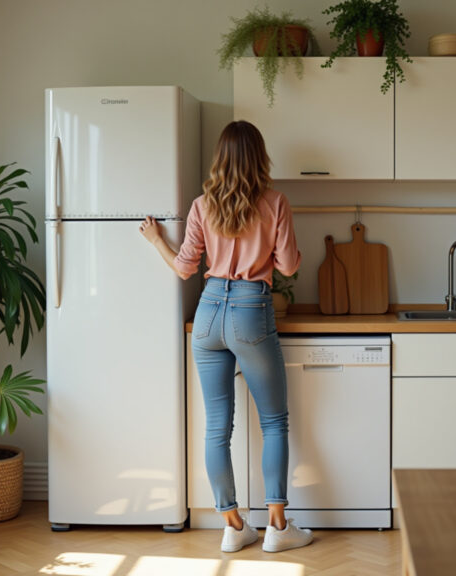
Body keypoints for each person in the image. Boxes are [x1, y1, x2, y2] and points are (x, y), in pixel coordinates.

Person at [139, 120, 310, 553]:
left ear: (220, 159)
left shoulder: (202, 205)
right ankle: (277, 527)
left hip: (209, 309)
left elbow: (183, 268)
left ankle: (234, 526)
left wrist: (157, 239)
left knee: (217, 428)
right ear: (260, 157)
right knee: (274, 421)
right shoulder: (275, 202)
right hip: (251, 310)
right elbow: (289, 268)